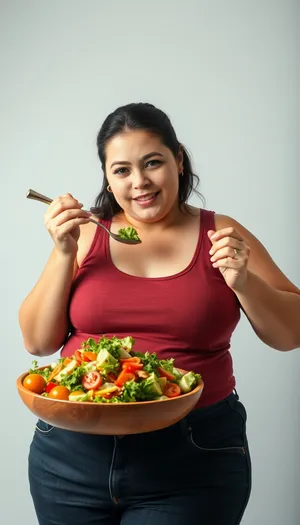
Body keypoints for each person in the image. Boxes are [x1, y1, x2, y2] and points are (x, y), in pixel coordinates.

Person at [19, 102, 300, 525]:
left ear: (179, 160)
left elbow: (290, 334)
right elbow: (38, 343)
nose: (140, 183)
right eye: (122, 170)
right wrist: (62, 252)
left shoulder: (221, 233)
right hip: (69, 457)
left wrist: (244, 282)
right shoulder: (86, 235)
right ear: (108, 178)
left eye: (153, 163)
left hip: (192, 456)